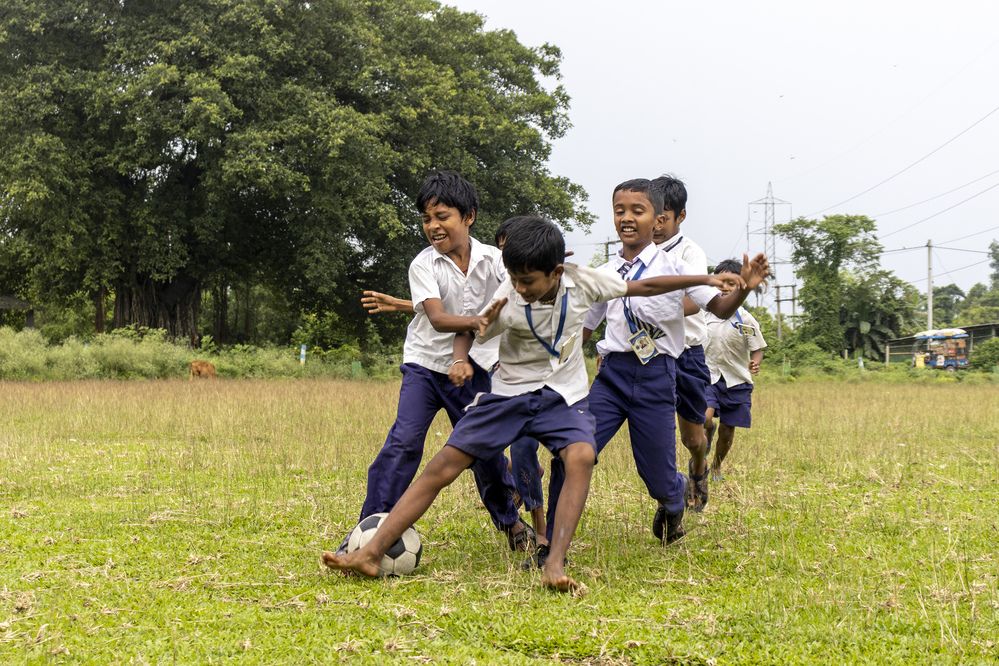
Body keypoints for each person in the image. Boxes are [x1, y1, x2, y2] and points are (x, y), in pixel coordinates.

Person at [323, 215, 728, 591]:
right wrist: (461, 359)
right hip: (509, 395)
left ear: (556, 272)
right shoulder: (509, 296)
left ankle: (554, 562)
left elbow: (647, 286)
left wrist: (709, 279)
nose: (519, 288)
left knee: (581, 456)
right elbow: (472, 329)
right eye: (514, 278)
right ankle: (372, 553)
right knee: (442, 466)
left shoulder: (583, 282)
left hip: (561, 398)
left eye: (528, 281)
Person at [545, 179, 769, 554]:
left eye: (638, 211)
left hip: (656, 377)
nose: (627, 218)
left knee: (657, 479)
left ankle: (674, 497)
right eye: (620, 211)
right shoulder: (606, 272)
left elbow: (719, 307)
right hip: (611, 377)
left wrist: (743, 289)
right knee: (570, 453)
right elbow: (585, 326)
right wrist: (553, 361)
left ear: (657, 219)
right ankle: (549, 545)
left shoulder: (677, 267)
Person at [337, 170, 531, 557]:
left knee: (484, 451)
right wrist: (480, 321)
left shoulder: (496, 261)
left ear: (469, 216)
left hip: (476, 371)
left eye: (442, 216)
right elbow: (440, 319)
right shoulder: (423, 265)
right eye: (427, 219)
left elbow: (522, 295)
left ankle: (511, 523)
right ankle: (369, 532)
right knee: (403, 443)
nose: (433, 226)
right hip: (425, 366)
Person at [650, 175, 712, 512]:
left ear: (680, 217)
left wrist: (653, 310)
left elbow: (696, 300)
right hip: (652, 355)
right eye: (652, 215)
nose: (656, 225)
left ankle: (699, 467)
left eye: (664, 217)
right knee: (658, 431)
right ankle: (669, 493)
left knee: (691, 437)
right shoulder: (639, 252)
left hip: (687, 353)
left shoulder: (690, 252)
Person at [703, 259, 768, 481]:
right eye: (720, 282)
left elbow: (757, 347)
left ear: (741, 284)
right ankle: (706, 437)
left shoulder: (746, 319)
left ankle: (717, 466)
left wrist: (755, 361)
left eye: (731, 283)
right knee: (705, 419)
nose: (724, 287)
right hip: (708, 376)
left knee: (728, 430)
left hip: (736, 381)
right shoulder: (702, 315)